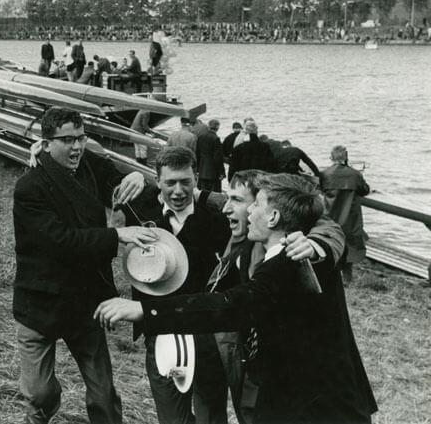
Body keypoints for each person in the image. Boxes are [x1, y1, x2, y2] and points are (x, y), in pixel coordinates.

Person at [95, 173, 378, 424]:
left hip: (318, 408)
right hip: (303, 398)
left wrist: (144, 309)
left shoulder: (292, 261)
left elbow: (230, 306)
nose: (246, 211)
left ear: (273, 217)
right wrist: (145, 179)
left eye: (255, 204)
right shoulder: (275, 253)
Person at [12, 107, 158, 424]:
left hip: (84, 302)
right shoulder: (29, 189)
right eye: (68, 140)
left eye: (81, 138)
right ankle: (45, 409)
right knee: (39, 394)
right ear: (46, 143)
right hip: (40, 304)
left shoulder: (88, 164)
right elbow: (61, 241)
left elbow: (115, 183)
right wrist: (117, 234)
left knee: (104, 394)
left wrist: (135, 176)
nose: (77, 147)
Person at [116, 146, 231, 424]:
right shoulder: (138, 207)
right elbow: (92, 166)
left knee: (212, 417)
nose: (178, 191)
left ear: (197, 179)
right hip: (161, 333)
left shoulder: (217, 217)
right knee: (172, 419)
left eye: (186, 182)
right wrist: (41, 148)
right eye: (170, 183)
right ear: (157, 180)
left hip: (206, 334)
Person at [320, 145, 370, 283]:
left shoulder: (325, 174)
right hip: (350, 216)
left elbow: (322, 189)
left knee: (331, 245)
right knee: (350, 248)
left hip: (330, 215)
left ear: (331, 157)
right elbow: (365, 190)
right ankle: (347, 278)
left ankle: (331, 277)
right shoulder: (355, 174)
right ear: (346, 156)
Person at [196, 119, 225, 192]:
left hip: (202, 171)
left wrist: (198, 169)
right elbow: (217, 157)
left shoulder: (201, 137)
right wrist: (221, 172)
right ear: (217, 127)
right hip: (213, 172)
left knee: (203, 193)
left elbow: (197, 153)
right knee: (214, 194)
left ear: (208, 126)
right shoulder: (216, 139)